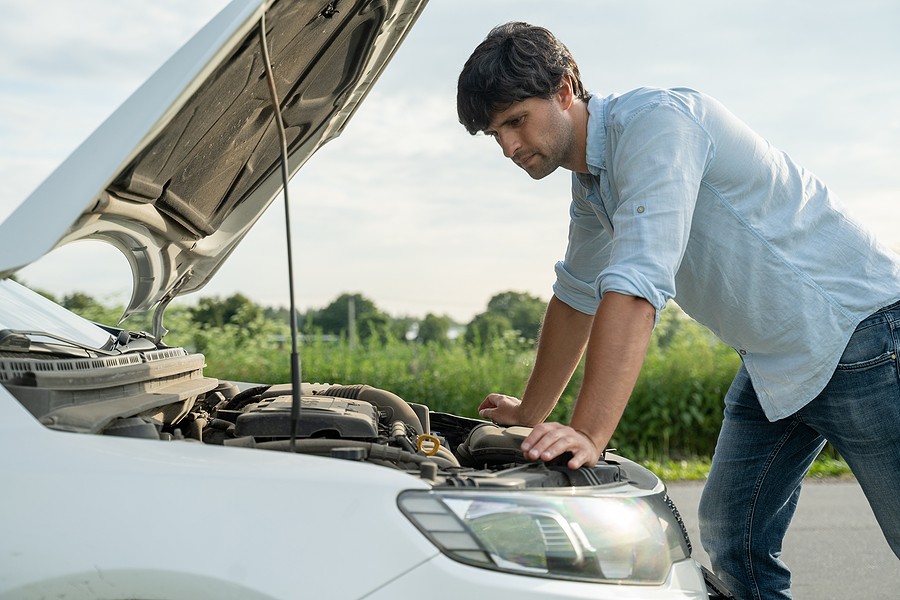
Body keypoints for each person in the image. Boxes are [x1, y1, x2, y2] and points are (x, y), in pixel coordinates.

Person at [457, 21, 900, 599]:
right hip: (775, 361)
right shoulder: (593, 185)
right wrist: (529, 411)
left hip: (860, 336)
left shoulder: (659, 125)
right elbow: (577, 296)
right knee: (733, 536)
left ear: (566, 88)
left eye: (517, 120)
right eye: (496, 134)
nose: (511, 147)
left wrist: (590, 433)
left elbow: (637, 284)